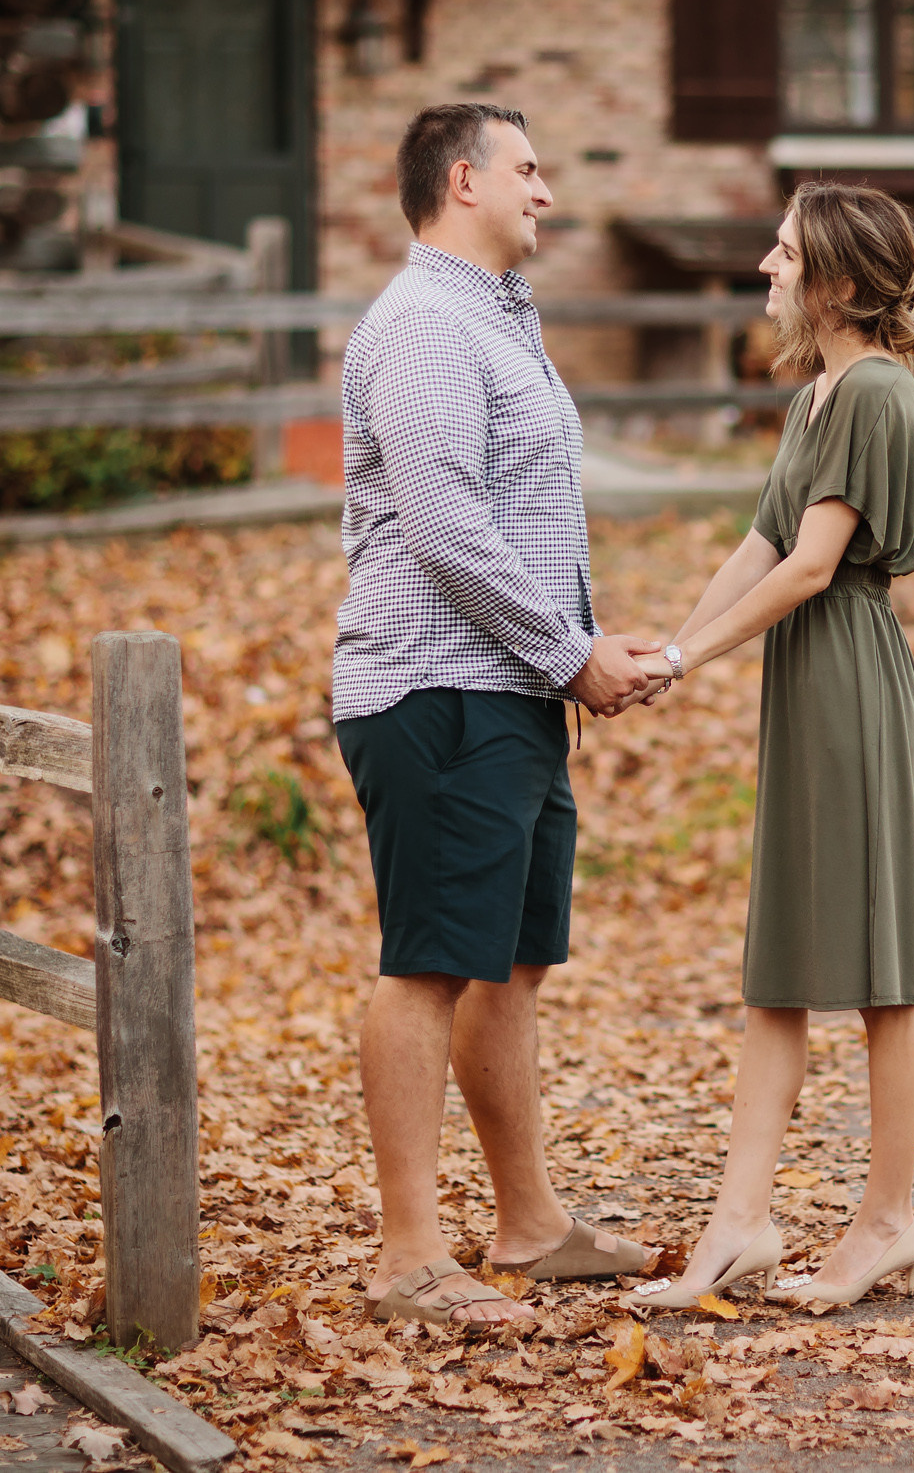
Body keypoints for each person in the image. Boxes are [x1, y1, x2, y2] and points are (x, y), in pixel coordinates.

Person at [332, 102, 663, 1328]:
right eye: (530, 169)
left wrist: (574, 651)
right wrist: (573, 656)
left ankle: (528, 1229)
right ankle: (409, 1257)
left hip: (510, 692)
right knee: (428, 966)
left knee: (509, 968)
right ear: (463, 179)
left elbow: (507, 522)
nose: (549, 192)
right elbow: (444, 528)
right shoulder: (422, 325)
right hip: (438, 691)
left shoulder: (490, 321)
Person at [625, 182, 914, 1312]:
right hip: (805, 692)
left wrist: (688, 662)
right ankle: (740, 1223)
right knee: (780, 973)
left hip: (852, 687)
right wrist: (666, 653)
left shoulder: (871, 392)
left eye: (782, 253)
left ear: (842, 284)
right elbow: (758, 543)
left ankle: (886, 1223)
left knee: (881, 976)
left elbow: (813, 568)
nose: (765, 268)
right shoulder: (813, 398)